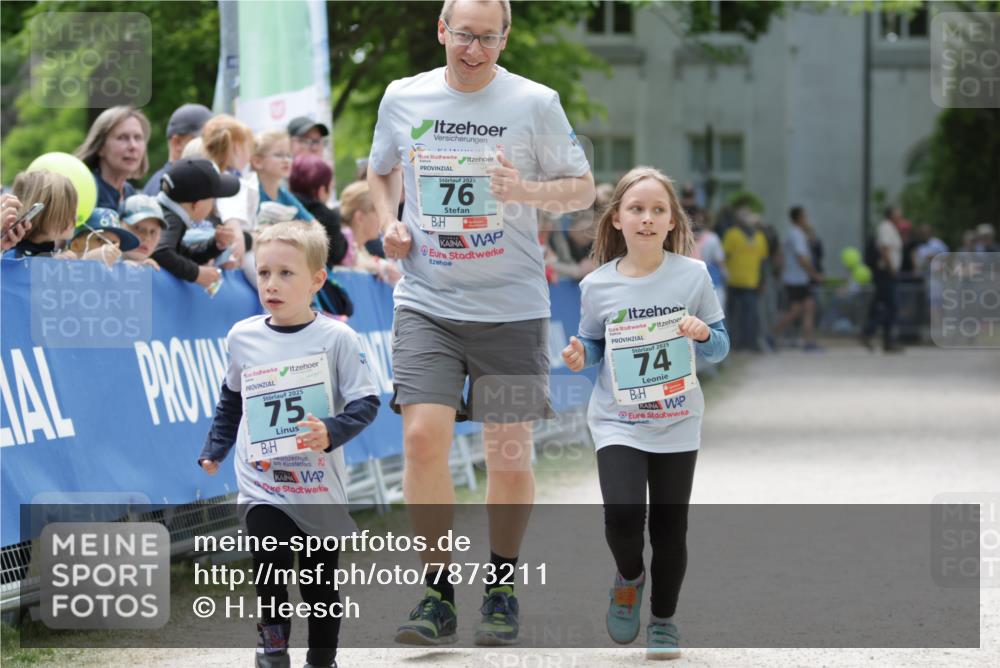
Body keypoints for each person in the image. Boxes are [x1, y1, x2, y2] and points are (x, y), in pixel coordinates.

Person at [368, 0, 594, 645]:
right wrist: (392, 221)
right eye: (463, 35)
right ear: (441, 31)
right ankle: (436, 592)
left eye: (488, 38)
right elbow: (381, 169)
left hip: (513, 308)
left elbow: (581, 188)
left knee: (508, 452)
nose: (474, 50)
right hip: (427, 303)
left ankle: (500, 582)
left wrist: (525, 191)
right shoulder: (402, 97)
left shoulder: (534, 103)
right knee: (421, 441)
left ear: (505, 37)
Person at [561, 167, 729, 659]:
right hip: (618, 420)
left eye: (659, 210)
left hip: (678, 421)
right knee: (623, 516)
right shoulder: (596, 285)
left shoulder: (693, 275)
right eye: (637, 209)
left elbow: (721, 347)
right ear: (616, 219)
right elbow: (593, 342)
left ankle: (663, 620)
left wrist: (702, 334)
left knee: (670, 531)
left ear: (673, 220)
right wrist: (580, 355)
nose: (648, 218)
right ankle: (629, 576)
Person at [199, 221, 380, 668]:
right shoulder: (243, 336)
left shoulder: (338, 339)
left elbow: (367, 402)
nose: (271, 284)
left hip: (317, 483)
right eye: (263, 273)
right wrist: (215, 447)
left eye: (286, 274)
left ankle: (322, 660)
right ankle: (273, 649)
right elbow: (231, 400)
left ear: (317, 280)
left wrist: (331, 431)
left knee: (320, 583)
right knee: (270, 561)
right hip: (263, 483)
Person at [151, 158, 239, 288]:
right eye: (213, 199)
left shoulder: (169, 212)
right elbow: (160, 252)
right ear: (197, 205)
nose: (214, 204)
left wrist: (216, 245)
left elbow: (182, 255)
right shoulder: (170, 218)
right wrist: (196, 274)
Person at [74, 106, 150, 212]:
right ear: (100, 147)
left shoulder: (131, 194)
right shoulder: (84, 191)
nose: (133, 146)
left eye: (138, 138)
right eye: (122, 137)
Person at [769, 206, 824, 351]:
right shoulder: (797, 235)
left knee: (805, 308)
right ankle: (774, 334)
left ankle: (807, 341)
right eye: (805, 216)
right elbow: (802, 259)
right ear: (799, 218)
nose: (807, 219)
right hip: (797, 279)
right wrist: (814, 274)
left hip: (796, 279)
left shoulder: (794, 234)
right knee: (798, 310)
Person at [289, 154, 349, 267]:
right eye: (330, 188)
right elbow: (338, 254)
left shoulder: (280, 207)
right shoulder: (328, 218)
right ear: (322, 190)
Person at [722, 207, 768, 351]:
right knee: (735, 316)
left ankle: (747, 343)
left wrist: (762, 281)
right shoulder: (732, 234)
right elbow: (724, 257)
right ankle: (735, 344)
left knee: (749, 315)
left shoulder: (760, 237)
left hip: (751, 282)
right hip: (734, 282)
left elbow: (763, 262)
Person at [2, 171, 77, 259]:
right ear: (41, 214)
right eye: (66, 210)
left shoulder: (56, 253)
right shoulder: (13, 257)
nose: (74, 216)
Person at [338, 181, 401, 285]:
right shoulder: (343, 252)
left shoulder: (361, 250)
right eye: (377, 212)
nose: (382, 218)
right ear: (360, 218)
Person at [143, 103, 213, 196]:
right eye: (205, 139)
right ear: (177, 143)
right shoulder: (170, 186)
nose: (213, 147)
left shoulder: (172, 181)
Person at [861, 206, 904, 352]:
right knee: (891, 306)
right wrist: (892, 269)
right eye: (898, 213)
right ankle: (869, 331)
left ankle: (886, 341)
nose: (900, 215)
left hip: (887, 272)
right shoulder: (886, 228)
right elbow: (886, 249)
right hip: (886, 273)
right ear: (891, 215)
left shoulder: (891, 228)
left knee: (885, 306)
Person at [252, 129, 314, 222]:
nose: (286, 160)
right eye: (278, 155)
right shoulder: (251, 193)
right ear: (257, 162)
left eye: (289, 155)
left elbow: (313, 225)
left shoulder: (284, 194)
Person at [67, 208, 140, 267]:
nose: (108, 247)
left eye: (114, 243)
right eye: (100, 240)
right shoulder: (63, 265)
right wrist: (86, 259)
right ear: (75, 245)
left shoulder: (116, 275)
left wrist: (141, 266)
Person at [121, 194, 168, 269]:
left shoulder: (155, 270)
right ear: (118, 225)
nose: (147, 238)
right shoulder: (98, 261)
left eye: (153, 232)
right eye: (138, 228)